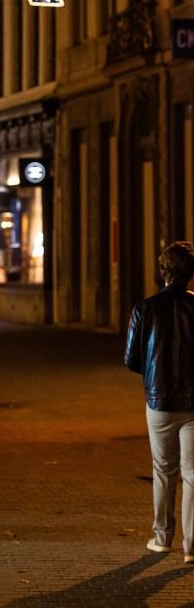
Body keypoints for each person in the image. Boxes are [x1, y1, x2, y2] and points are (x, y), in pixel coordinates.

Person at [124, 241, 194, 564]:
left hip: (159, 400)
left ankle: (162, 537)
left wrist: (152, 373)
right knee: (193, 473)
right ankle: (191, 546)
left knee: (164, 470)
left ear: (163, 271)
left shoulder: (145, 308)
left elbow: (131, 359)